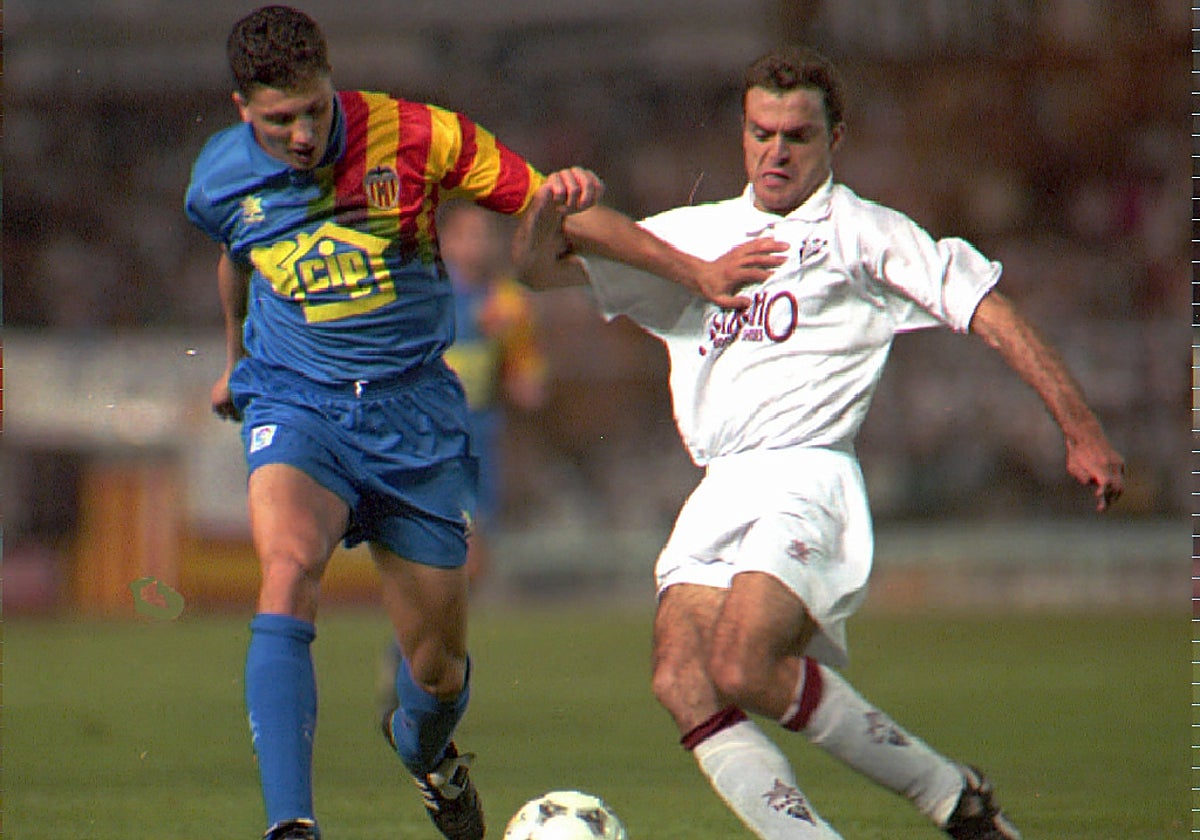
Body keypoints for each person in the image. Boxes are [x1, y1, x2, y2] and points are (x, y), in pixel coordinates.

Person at [513, 47, 1125, 840]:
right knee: (681, 680)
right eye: (760, 131)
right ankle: (907, 813)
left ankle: (942, 791)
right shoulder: (697, 239)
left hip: (807, 477)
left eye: (797, 135)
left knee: (742, 665)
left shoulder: (861, 232)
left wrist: (1082, 431)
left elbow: (988, 308)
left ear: (836, 138)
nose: (775, 151)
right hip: (719, 485)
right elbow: (539, 269)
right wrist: (545, 209)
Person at [439, 203, 548, 585]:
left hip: (477, 433)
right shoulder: (428, 295)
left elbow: (529, 391)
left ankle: (433, 642)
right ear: (446, 241)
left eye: (484, 235)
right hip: (427, 431)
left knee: (474, 549)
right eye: (467, 234)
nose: (477, 244)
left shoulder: (506, 302)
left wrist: (513, 334)